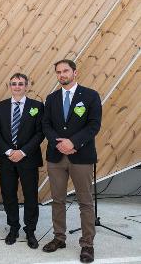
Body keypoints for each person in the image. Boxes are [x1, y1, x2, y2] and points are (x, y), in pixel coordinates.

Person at [42, 60, 102, 263]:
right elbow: (46, 124)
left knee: (85, 202)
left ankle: (87, 244)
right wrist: (58, 143)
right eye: (58, 72)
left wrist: (73, 142)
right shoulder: (51, 99)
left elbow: (94, 125)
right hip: (56, 156)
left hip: (81, 156)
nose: (62, 75)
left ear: (75, 72)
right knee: (57, 200)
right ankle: (59, 238)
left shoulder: (90, 96)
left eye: (65, 71)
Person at [0, 73, 44, 249]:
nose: (17, 86)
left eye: (20, 84)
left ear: (27, 86)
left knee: (31, 196)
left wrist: (22, 152)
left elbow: (40, 133)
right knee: (9, 195)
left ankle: (30, 231)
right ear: (10, 86)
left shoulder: (37, 106)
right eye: (14, 83)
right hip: (6, 159)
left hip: (28, 159)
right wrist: (8, 151)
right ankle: (13, 228)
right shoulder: (0, 106)